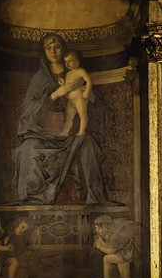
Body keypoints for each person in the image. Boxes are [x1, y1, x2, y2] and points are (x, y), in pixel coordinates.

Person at [13, 33, 110, 205]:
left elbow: (96, 105)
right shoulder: (39, 79)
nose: (53, 51)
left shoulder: (76, 73)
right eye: (48, 48)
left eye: (57, 47)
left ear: (64, 50)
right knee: (27, 149)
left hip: (71, 135)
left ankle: (92, 201)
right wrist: (57, 93)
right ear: (43, 52)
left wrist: (88, 94)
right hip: (43, 135)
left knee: (87, 144)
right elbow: (28, 110)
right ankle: (33, 201)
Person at [92, 214, 135, 278]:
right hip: (123, 253)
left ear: (107, 227)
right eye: (96, 228)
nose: (97, 231)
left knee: (106, 259)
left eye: (100, 228)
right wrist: (101, 241)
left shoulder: (114, 237)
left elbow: (110, 251)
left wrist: (100, 247)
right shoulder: (109, 234)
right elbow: (110, 248)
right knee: (125, 275)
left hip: (124, 255)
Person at [61, 49, 93, 136]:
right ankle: (65, 132)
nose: (67, 63)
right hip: (70, 100)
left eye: (70, 61)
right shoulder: (68, 74)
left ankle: (82, 131)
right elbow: (68, 86)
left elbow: (89, 81)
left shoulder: (81, 71)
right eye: (65, 61)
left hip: (79, 97)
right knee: (68, 117)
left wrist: (86, 92)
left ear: (77, 61)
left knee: (82, 115)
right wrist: (62, 83)